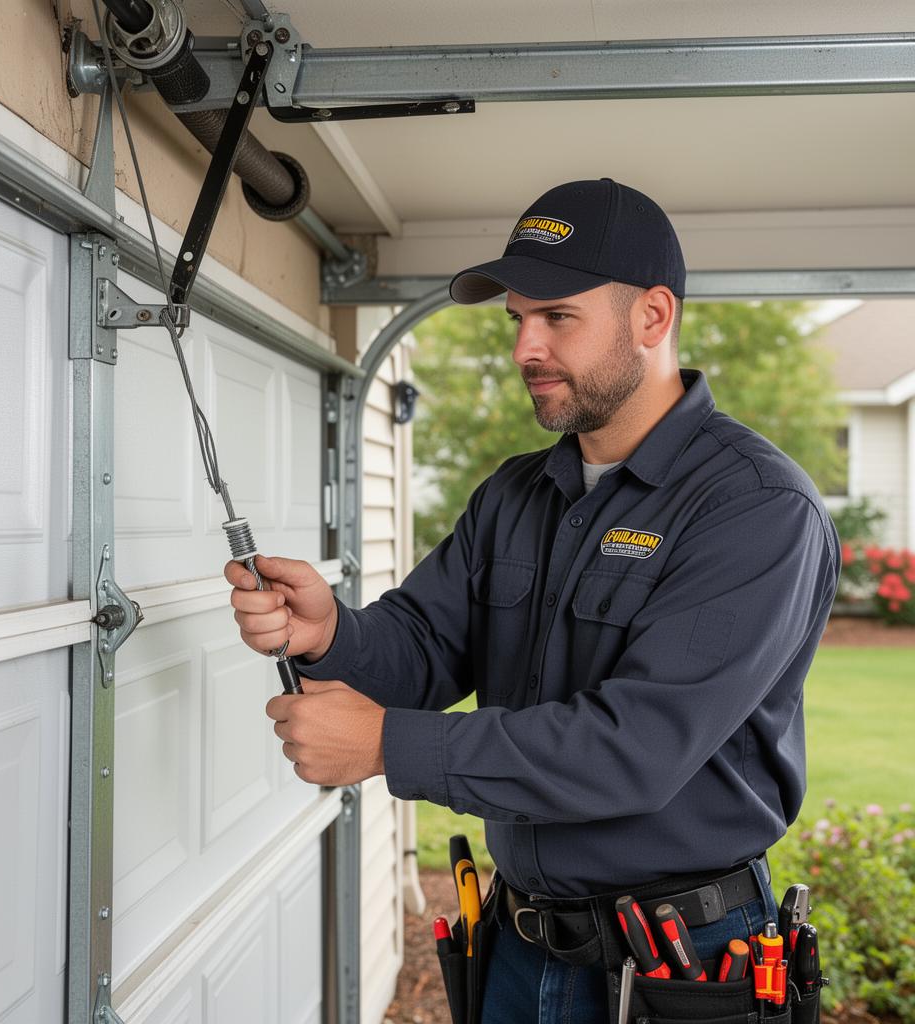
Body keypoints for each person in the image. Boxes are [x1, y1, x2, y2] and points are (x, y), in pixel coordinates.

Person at [225, 179, 841, 1023]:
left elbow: (636, 748)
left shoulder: (756, 509)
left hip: (685, 963)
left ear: (652, 318)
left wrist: (385, 746)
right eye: (518, 318)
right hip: (520, 944)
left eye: (558, 317)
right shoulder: (516, 494)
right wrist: (329, 632)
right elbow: (423, 648)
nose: (525, 347)